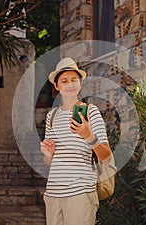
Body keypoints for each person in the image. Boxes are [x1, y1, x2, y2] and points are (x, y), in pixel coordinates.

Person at [40, 57, 112, 225]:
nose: (70, 84)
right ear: (57, 86)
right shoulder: (52, 116)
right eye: (64, 81)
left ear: (80, 83)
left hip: (80, 194)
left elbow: (107, 157)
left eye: (74, 80)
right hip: (53, 194)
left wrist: (88, 136)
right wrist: (48, 155)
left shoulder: (91, 112)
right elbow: (49, 162)